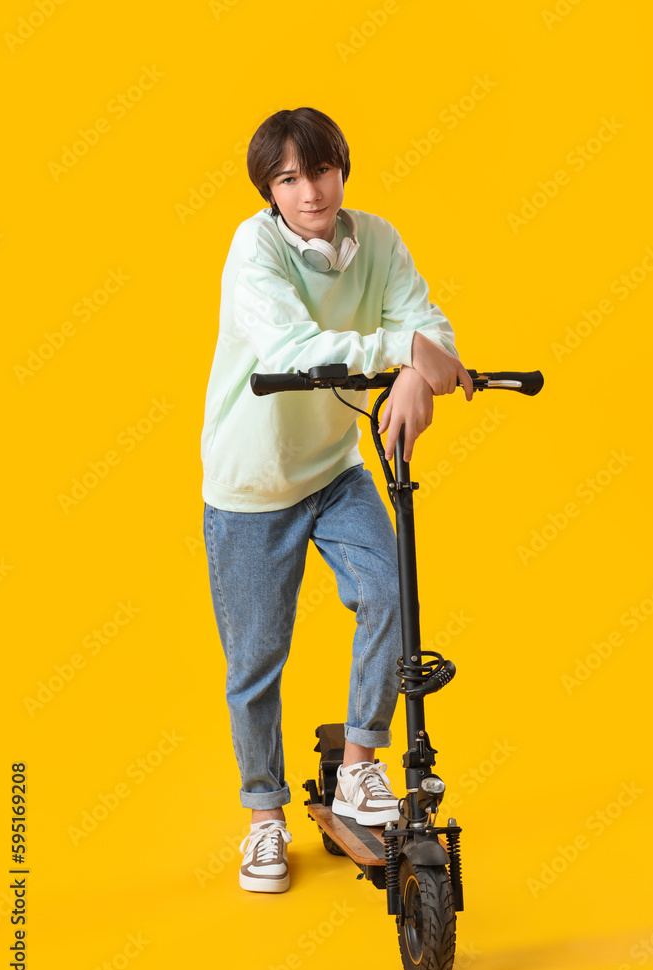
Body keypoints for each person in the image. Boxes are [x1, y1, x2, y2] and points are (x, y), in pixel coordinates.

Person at [201, 107, 473, 894]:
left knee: (393, 592)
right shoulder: (254, 249)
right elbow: (289, 348)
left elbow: (424, 320)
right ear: (269, 192)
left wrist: (421, 371)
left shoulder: (376, 240)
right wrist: (403, 354)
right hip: (251, 487)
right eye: (288, 179)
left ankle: (359, 764)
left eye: (319, 171)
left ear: (341, 170)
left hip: (331, 470)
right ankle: (262, 817)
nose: (309, 191)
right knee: (255, 662)